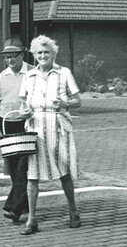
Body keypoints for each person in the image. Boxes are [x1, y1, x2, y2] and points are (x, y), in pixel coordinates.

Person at [18, 35, 82, 235]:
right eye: (39, 53)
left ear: (53, 54)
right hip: (35, 127)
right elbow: (23, 104)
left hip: (58, 125)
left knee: (64, 170)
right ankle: (32, 220)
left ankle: (73, 211)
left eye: (46, 52)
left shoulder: (64, 73)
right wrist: (24, 112)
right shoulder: (29, 76)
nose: (43, 56)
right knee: (32, 174)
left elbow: (78, 101)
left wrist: (65, 103)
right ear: (34, 55)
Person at [0, 38, 34, 224]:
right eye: (7, 57)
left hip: (26, 124)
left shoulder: (32, 73)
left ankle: (15, 209)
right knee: (13, 168)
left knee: (22, 168)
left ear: (21, 55)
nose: (10, 60)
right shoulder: (2, 76)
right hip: (6, 124)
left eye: (13, 56)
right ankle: (24, 204)